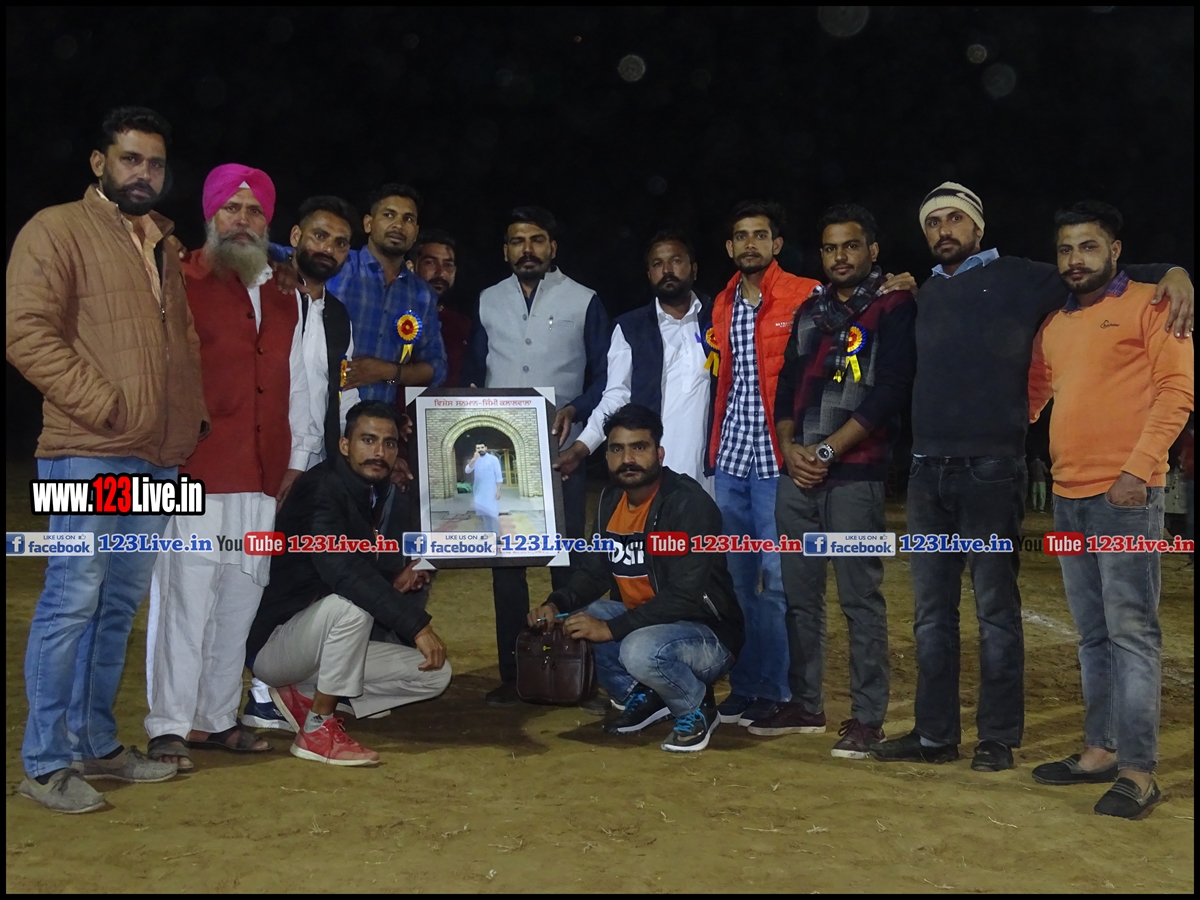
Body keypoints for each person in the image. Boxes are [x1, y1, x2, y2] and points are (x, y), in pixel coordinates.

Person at [870, 182, 1193, 772]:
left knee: (1001, 610)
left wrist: (1175, 271)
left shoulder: (1024, 277)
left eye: (955, 219)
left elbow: (1104, 275)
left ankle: (1003, 739)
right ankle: (936, 735)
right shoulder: (927, 294)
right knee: (932, 613)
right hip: (931, 475)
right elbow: (1036, 385)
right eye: (933, 222)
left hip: (1000, 475)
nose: (944, 229)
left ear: (978, 227)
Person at [6, 106, 205, 812]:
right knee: (72, 598)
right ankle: (45, 763)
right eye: (130, 159)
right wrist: (106, 406)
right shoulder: (55, 228)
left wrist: (187, 419)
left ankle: (95, 743)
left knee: (118, 603)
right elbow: (26, 333)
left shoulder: (164, 244)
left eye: (155, 163)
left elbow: (182, 343)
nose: (144, 173)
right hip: (87, 452)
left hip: (156, 460)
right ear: (100, 162)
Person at [144, 164, 318, 771]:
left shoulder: (283, 291)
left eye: (254, 211)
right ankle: (169, 723)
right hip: (193, 470)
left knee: (240, 596)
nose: (242, 221)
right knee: (184, 598)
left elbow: (298, 379)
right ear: (210, 215)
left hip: (262, 473)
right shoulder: (179, 278)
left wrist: (297, 458)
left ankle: (215, 718)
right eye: (231, 208)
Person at [1026, 201, 1192, 819]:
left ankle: (1139, 771)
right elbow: (1032, 396)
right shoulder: (1053, 325)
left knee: (1132, 633)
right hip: (1068, 498)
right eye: (1066, 249)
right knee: (1092, 633)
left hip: (1126, 496)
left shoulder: (1153, 304)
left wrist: (1137, 469)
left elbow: (1178, 390)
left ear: (1115, 250)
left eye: (1089, 246)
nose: (1076, 259)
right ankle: (1100, 749)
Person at [750, 204, 916, 758]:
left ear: (872, 250)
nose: (840, 256)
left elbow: (889, 392)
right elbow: (786, 388)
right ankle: (806, 703)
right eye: (829, 248)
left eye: (850, 245)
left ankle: (868, 718)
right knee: (799, 597)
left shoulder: (893, 306)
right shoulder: (811, 311)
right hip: (797, 475)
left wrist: (826, 450)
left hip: (855, 477)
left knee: (859, 599)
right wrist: (790, 448)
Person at [527, 404, 744, 752]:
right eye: (617, 449)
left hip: (706, 633)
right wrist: (556, 604)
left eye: (638, 447)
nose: (627, 459)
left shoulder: (688, 503)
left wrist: (610, 629)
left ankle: (695, 706)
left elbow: (684, 596)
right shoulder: (611, 498)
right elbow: (595, 570)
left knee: (637, 649)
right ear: (607, 456)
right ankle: (649, 697)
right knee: (575, 622)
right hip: (647, 623)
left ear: (659, 453)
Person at [462, 205, 611, 706]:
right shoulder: (487, 299)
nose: (527, 249)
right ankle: (515, 675)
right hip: (502, 453)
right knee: (506, 563)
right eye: (517, 241)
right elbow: (473, 372)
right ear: (505, 250)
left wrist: (577, 408)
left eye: (537, 240)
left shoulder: (584, 299)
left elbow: (603, 376)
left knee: (564, 560)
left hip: (561, 452)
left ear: (553, 247)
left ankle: (572, 668)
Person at [247, 401, 452, 765]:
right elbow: (341, 569)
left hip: (314, 642)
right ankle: (317, 729)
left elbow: (350, 567)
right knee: (352, 605)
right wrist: (416, 626)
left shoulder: (367, 487)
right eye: (368, 440)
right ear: (344, 445)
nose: (379, 452)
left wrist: (394, 582)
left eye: (389, 443)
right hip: (275, 645)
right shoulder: (321, 489)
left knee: (435, 675)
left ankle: (304, 693)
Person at [242, 194, 362, 733]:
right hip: (264, 464)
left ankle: (274, 690)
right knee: (250, 574)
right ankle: (245, 694)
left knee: (295, 575)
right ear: (294, 236)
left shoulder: (338, 314)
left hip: (318, 471)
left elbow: (343, 392)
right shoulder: (265, 293)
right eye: (319, 236)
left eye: (340, 243)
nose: (328, 248)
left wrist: (353, 454)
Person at [557, 230, 716, 493]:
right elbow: (615, 396)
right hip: (654, 470)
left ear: (694, 269)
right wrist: (580, 448)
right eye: (657, 264)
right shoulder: (630, 328)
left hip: (716, 473)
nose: (667, 270)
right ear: (649, 274)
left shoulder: (719, 318)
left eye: (676, 261)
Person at [329, 183, 448, 402]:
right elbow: (287, 255)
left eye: (408, 219)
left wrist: (387, 371)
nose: (398, 225)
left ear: (416, 232)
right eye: (389, 215)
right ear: (368, 223)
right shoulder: (337, 267)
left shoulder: (422, 294)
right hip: (321, 412)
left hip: (381, 418)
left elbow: (437, 367)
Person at [412, 229, 470, 387]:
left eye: (448, 265)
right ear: (412, 266)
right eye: (430, 262)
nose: (441, 272)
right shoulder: (398, 315)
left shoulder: (463, 325)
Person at [465, 441, 504, 535]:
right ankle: (489, 534)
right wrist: (474, 460)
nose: (480, 450)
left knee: (493, 514)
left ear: (486, 448)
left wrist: (498, 490)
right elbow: (467, 470)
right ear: (476, 450)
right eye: (478, 448)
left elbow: (498, 475)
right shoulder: (474, 460)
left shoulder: (493, 459)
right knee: (484, 515)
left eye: (482, 447)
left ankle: (496, 536)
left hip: (491, 491)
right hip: (479, 491)